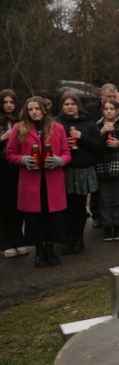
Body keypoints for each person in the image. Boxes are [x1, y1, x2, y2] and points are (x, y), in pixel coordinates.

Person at [7, 97, 71, 267]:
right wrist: (22, 160)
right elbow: (11, 154)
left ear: (44, 109)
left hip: (53, 181)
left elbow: (67, 153)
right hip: (31, 182)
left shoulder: (58, 128)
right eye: (30, 109)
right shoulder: (18, 129)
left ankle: (50, 250)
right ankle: (39, 252)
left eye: (37, 108)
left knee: (53, 218)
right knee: (34, 219)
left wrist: (60, 160)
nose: (34, 112)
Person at [56, 92, 103, 254]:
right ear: (61, 106)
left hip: (83, 170)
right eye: (66, 104)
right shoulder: (56, 123)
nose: (70, 107)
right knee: (65, 207)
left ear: (78, 106)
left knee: (80, 207)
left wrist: (82, 137)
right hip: (63, 171)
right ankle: (67, 239)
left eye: (73, 104)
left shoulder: (89, 123)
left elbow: (98, 146)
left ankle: (78, 238)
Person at [94, 98, 119, 242]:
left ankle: (117, 224)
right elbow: (93, 145)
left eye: (112, 109)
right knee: (105, 199)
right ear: (102, 111)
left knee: (118, 199)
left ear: (117, 111)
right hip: (102, 167)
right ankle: (107, 226)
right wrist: (101, 133)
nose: (109, 111)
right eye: (106, 109)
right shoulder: (97, 125)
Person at [0, 89, 26, 257]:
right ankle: (5, 241)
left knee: (19, 202)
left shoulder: (22, 120)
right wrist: (3, 137)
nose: (9, 105)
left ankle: (18, 238)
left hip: (17, 165)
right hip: (1, 166)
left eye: (11, 102)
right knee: (3, 204)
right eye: (5, 102)